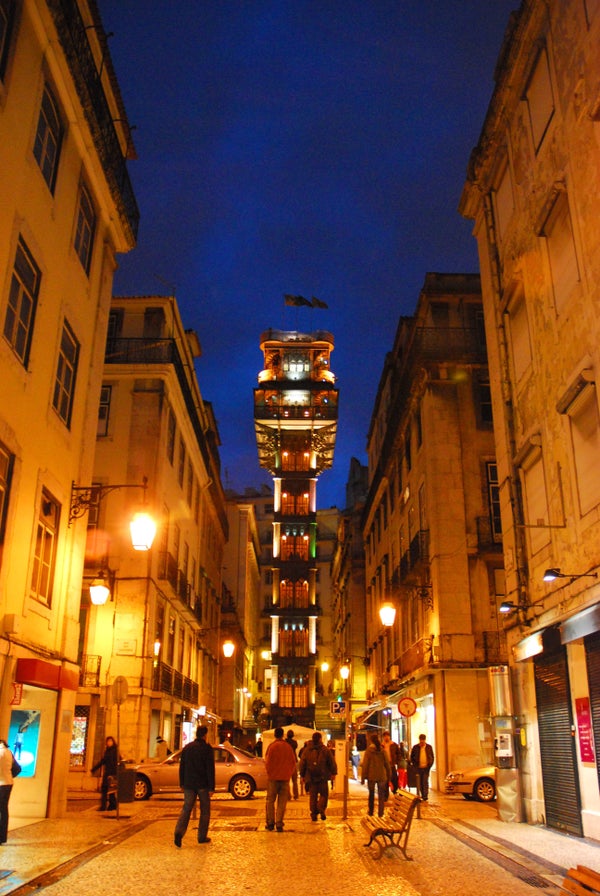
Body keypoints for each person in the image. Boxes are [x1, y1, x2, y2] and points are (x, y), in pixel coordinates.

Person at [174, 725, 215, 847]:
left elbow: (182, 767)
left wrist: (181, 782)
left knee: (186, 808)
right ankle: (202, 836)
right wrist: (212, 787)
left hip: (189, 783)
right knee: (205, 811)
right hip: (203, 784)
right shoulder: (207, 749)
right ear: (205, 735)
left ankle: (178, 832)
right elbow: (210, 769)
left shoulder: (187, 748)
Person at [299, 731, 337, 821]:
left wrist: (302, 774)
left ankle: (313, 814)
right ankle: (321, 808)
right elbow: (331, 762)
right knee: (324, 794)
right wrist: (333, 772)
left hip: (311, 777)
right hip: (323, 777)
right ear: (320, 739)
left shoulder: (307, 750)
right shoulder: (325, 749)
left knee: (313, 796)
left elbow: (302, 763)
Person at [264, 727, 297, 832]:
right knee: (282, 802)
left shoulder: (272, 747)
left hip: (273, 778)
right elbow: (293, 762)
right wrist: (288, 774)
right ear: (283, 735)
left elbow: (267, 762)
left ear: (274, 735)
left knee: (270, 801)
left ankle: (270, 823)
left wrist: (270, 773)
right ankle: (279, 823)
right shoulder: (288, 747)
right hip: (284, 778)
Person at [361, 733, 391, 816]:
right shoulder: (382, 750)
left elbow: (365, 765)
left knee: (371, 794)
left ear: (371, 741)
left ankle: (371, 812)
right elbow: (387, 764)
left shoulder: (369, 751)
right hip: (382, 776)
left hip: (372, 776)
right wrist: (389, 775)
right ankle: (380, 813)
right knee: (381, 796)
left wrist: (363, 777)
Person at [91, 736, 119, 811]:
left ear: (113, 742)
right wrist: (94, 769)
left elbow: (116, 762)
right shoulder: (107, 751)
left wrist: (113, 774)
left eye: (110, 741)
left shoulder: (115, 751)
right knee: (105, 789)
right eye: (108, 741)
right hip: (107, 773)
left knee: (111, 790)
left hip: (112, 774)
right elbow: (103, 761)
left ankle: (112, 805)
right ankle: (105, 806)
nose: (109, 743)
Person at [0, 739, 16, 844]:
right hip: (8, 783)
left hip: (1, 784)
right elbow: (16, 767)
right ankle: (2, 837)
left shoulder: (0, 752)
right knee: (4, 810)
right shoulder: (9, 752)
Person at [410, 733, 434, 801]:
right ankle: (422, 794)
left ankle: (425, 796)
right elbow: (412, 757)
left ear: (425, 740)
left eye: (423, 740)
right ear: (419, 740)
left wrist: (430, 764)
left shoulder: (429, 747)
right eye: (421, 740)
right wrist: (415, 765)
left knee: (425, 781)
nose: (422, 742)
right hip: (418, 768)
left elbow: (432, 756)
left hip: (426, 768)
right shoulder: (415, 747)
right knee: (420, 782)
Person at [285, 729, 299, 799]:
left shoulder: (285, 742)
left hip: (286, 762)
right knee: (295, 781)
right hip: (294, 761)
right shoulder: (294, 743)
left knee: (287, 781)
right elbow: (295, 747)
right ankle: (296, 795)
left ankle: (288, 796)